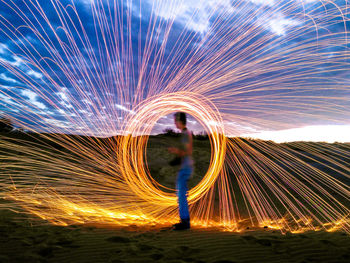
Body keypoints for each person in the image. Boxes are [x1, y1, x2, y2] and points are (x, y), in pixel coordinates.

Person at [168, 112, 194, 230]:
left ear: (180, 121)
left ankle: (185, 222)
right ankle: (184, 220)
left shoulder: (185, 134)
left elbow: (187, 152)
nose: (174, 123)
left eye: (175, 121)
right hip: (185, 167)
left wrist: (175, 151)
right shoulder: (185, 133)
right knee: (180, 194)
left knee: (181, 195)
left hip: (186, 168)